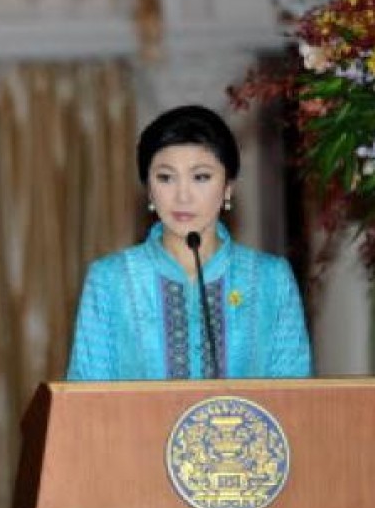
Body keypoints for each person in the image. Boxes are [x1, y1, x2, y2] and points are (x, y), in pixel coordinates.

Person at [66, 104, 312, 381]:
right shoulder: (110, 278)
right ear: (149, 188)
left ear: (228, 186)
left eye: (201, 177)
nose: (183, 196)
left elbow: (293, 397)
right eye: (166, 178)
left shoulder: (271, 278)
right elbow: (86, 399)